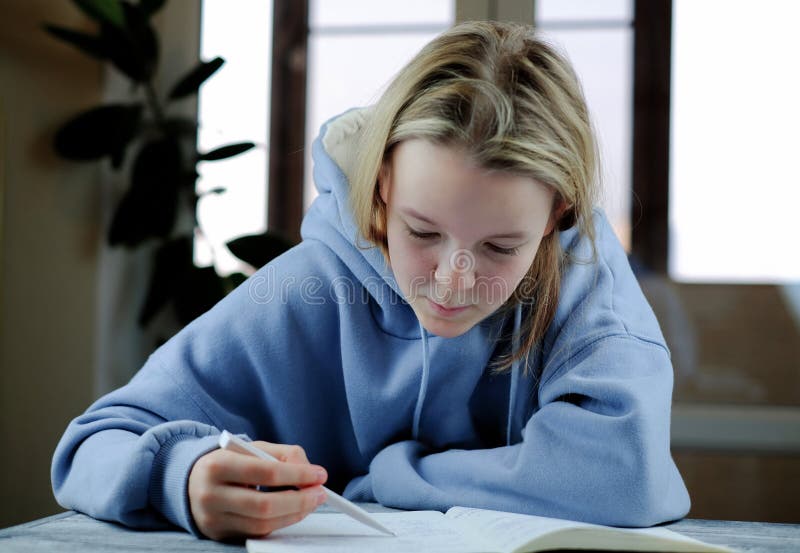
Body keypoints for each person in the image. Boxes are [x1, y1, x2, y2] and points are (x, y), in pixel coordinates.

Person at [51, 20, 690, 541]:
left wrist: (389, 476)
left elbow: (624, 475)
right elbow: (89, 447)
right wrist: (182, 477)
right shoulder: (308, 286)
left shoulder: (580, 278)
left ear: (558, 215)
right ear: (381, 182)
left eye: (500, 246)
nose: (452, 281)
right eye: (421, 231)